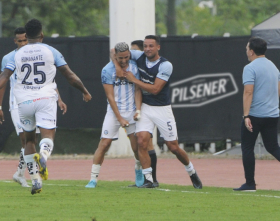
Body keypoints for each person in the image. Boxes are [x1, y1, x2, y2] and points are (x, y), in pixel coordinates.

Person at [0, 19, 92, 195]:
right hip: (45, 99)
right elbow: (69, 75)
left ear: (26, 35)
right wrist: (85, 91)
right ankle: (44, 154)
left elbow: (4, 75)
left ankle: (35, 181)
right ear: (42, 34)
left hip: (24, 102)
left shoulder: (16, 55)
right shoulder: (51, 51)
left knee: (28, 140)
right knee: (47, 136)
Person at [119, 35, 202, 189]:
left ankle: (191, 171)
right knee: (141, 141)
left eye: (151, 46)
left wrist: (134, 80)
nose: (147, 49)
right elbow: (116, 52)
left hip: (162, 109)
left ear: (158, 47)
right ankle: (149, 180)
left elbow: (156, 89)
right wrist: (119, 63)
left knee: (173, 147)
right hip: (145, 107)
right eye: (145, 46)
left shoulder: (165, 65)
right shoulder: (139, 55)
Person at [0, 27, 67, 188]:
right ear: (15, 41)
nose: (22, 43)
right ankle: (34, 177)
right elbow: (3, 80)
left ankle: (21, 174)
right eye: (19, 41)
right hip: (17, 103)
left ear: (29, 38)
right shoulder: (9, 57)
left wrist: (59, 99)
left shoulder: (38, 54)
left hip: (38, 100)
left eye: (25, 40)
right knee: (25, 140)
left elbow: (48, 80)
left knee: (32, 140)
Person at [233, 37, 280, 192]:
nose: (246, 51)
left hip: (254, 115)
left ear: (251, 51)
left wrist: (246, 116)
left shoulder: (250, 68)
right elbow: (278, 91)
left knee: (247, 147)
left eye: (247, 48)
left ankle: (250, 183)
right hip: (272, 115)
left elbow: (248, 91)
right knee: (273, 146)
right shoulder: (274, 67)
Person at [85, 42, 142, 188]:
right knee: (104, 144)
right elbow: (110, 97)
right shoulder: (107, 70)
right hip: (113, 112)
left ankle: (138, 172)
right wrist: (120, 118)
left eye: (126, 57)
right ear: (115, 56)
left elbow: (137, 90)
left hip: (131, 111)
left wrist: (138, 110)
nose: (124, 61)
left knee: (136, 146)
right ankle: (93, 179)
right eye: (120, 58)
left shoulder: (135, 66)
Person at [129, 40, 159, 187]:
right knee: (140, 145)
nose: (131, 56)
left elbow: (153, 88)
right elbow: (113, 51)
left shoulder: (148, 65)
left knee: (148, 144)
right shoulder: (134, 66)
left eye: (134, 51)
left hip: (150, 107)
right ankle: (144, 179)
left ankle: (153, 179)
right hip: (136, 109)